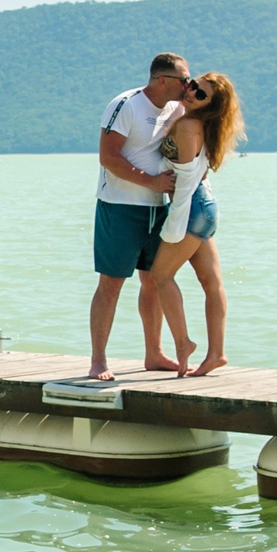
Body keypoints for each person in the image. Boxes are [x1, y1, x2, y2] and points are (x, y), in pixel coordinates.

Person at [88, 52, 189, 380]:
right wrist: (151, 182)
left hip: (158, 209)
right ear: (163, 80)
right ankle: (98, 361)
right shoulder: (126, 105)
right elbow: (108, 157)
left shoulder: (176, 108)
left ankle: (154, 354)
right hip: (119, 207)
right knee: (111, 283)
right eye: (183, 79)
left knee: (154, 280)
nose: (188, 85)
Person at [145, 71, 243, 376]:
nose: (192, 93)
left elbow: (187, 177)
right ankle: (217, 353)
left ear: (210, 105)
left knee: (160, 276)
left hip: (192, 207)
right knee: (211, 283)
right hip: (206, 207)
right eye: (193, 86)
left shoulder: (188, 125)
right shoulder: (196, 121)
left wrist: (175, 220)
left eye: (201, 94)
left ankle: (184, 343)